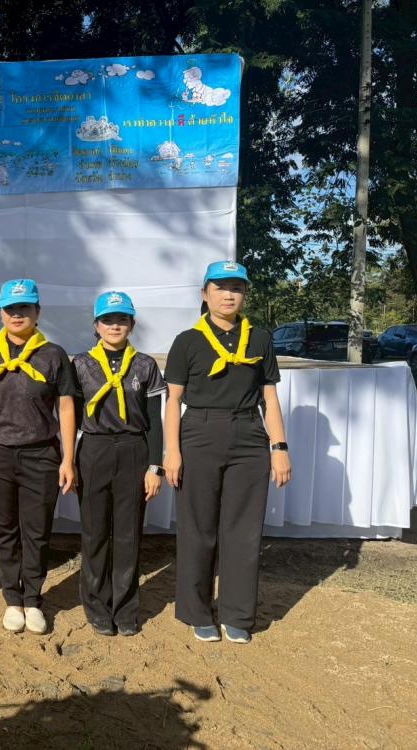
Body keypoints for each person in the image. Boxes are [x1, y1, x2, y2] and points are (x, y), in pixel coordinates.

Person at [163, 261, 291, 644]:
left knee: (244, 530)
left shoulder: (260, 339)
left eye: (236, 287)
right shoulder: (187, 341)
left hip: (249, 435)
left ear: (245, 294)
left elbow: (269, 397)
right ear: (205, 294)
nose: (228, 294)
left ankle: (237, 614)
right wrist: (172, 451)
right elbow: (173, 400)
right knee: (198, 528)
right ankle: (197, 611)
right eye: (220, 287)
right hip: (199, 433)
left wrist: (279, 447)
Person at [0, 279, 77, 635]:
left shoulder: (54, 355)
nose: (17, 314)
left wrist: (68, 458)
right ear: (1, 313)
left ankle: (33, 599)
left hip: (40, 454)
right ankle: (12, 599)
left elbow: (66, 407)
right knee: (2, 530)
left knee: (37, 531)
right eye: (11, 309)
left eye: (25, 308)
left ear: (37, 312)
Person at [72, 291, 166, 637]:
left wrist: (154, 466)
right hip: (94, 450)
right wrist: (69, 460)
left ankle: (125, 607)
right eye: (108, 320)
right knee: (95, 532)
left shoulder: (144, 365)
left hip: (133, 450)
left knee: (128, 534)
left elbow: (154, 421)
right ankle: (97, 606)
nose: (115, 326)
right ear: (96, 325)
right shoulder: (81, 364)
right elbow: (70, 415)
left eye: (122, 319)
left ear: (132, 324)